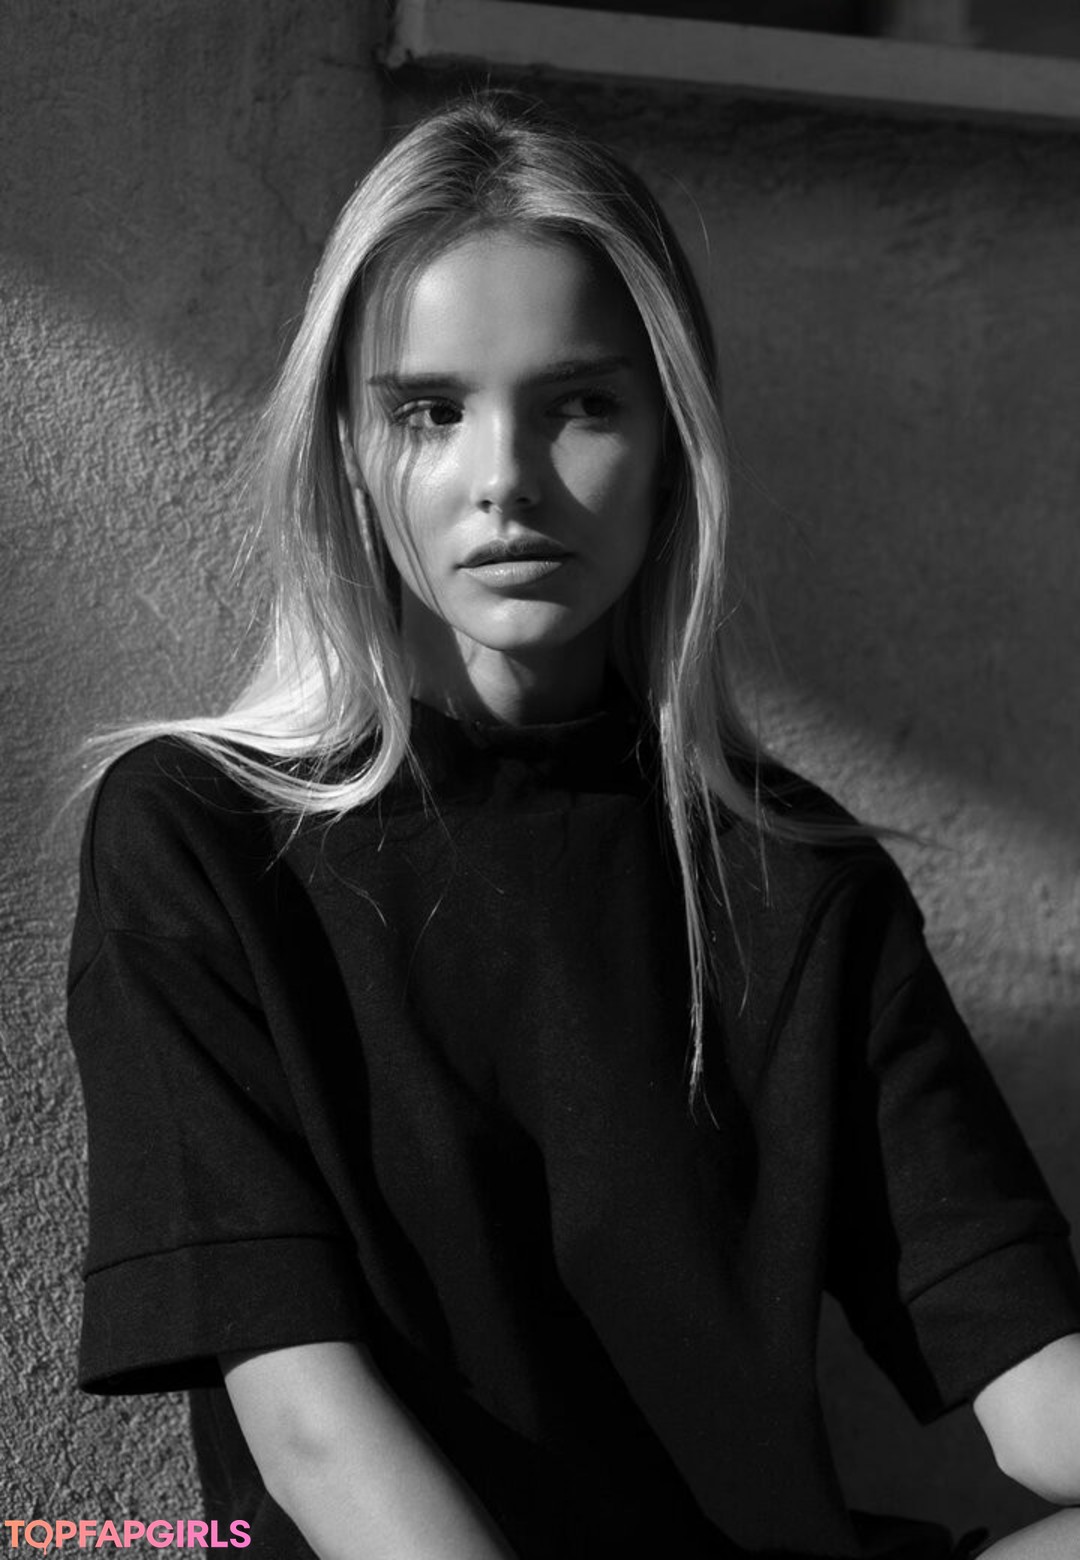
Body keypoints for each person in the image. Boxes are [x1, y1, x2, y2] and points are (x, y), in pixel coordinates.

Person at [67, 92, 1080, 1560]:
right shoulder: (202, 840)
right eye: (429, 411)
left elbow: (1036, 1390)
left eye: (581, 406)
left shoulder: (791, 876)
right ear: (347, 449)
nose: (505, 482)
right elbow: (308, 1425)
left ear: (672, 443)